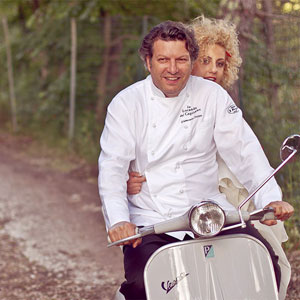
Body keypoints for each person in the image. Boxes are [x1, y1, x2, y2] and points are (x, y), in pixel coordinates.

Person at [98, 20, 294, 300]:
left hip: (212, 214)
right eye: (163, 59)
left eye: (181, 59)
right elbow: (112, 168)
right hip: (154, 219)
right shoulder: (126, 104)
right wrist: (118, 221)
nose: (173, 68)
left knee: (263, 266)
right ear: (148, 61)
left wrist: (270, 200)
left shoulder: (212, 95)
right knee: (145, 284)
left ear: (191, 60)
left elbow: (245, 152)